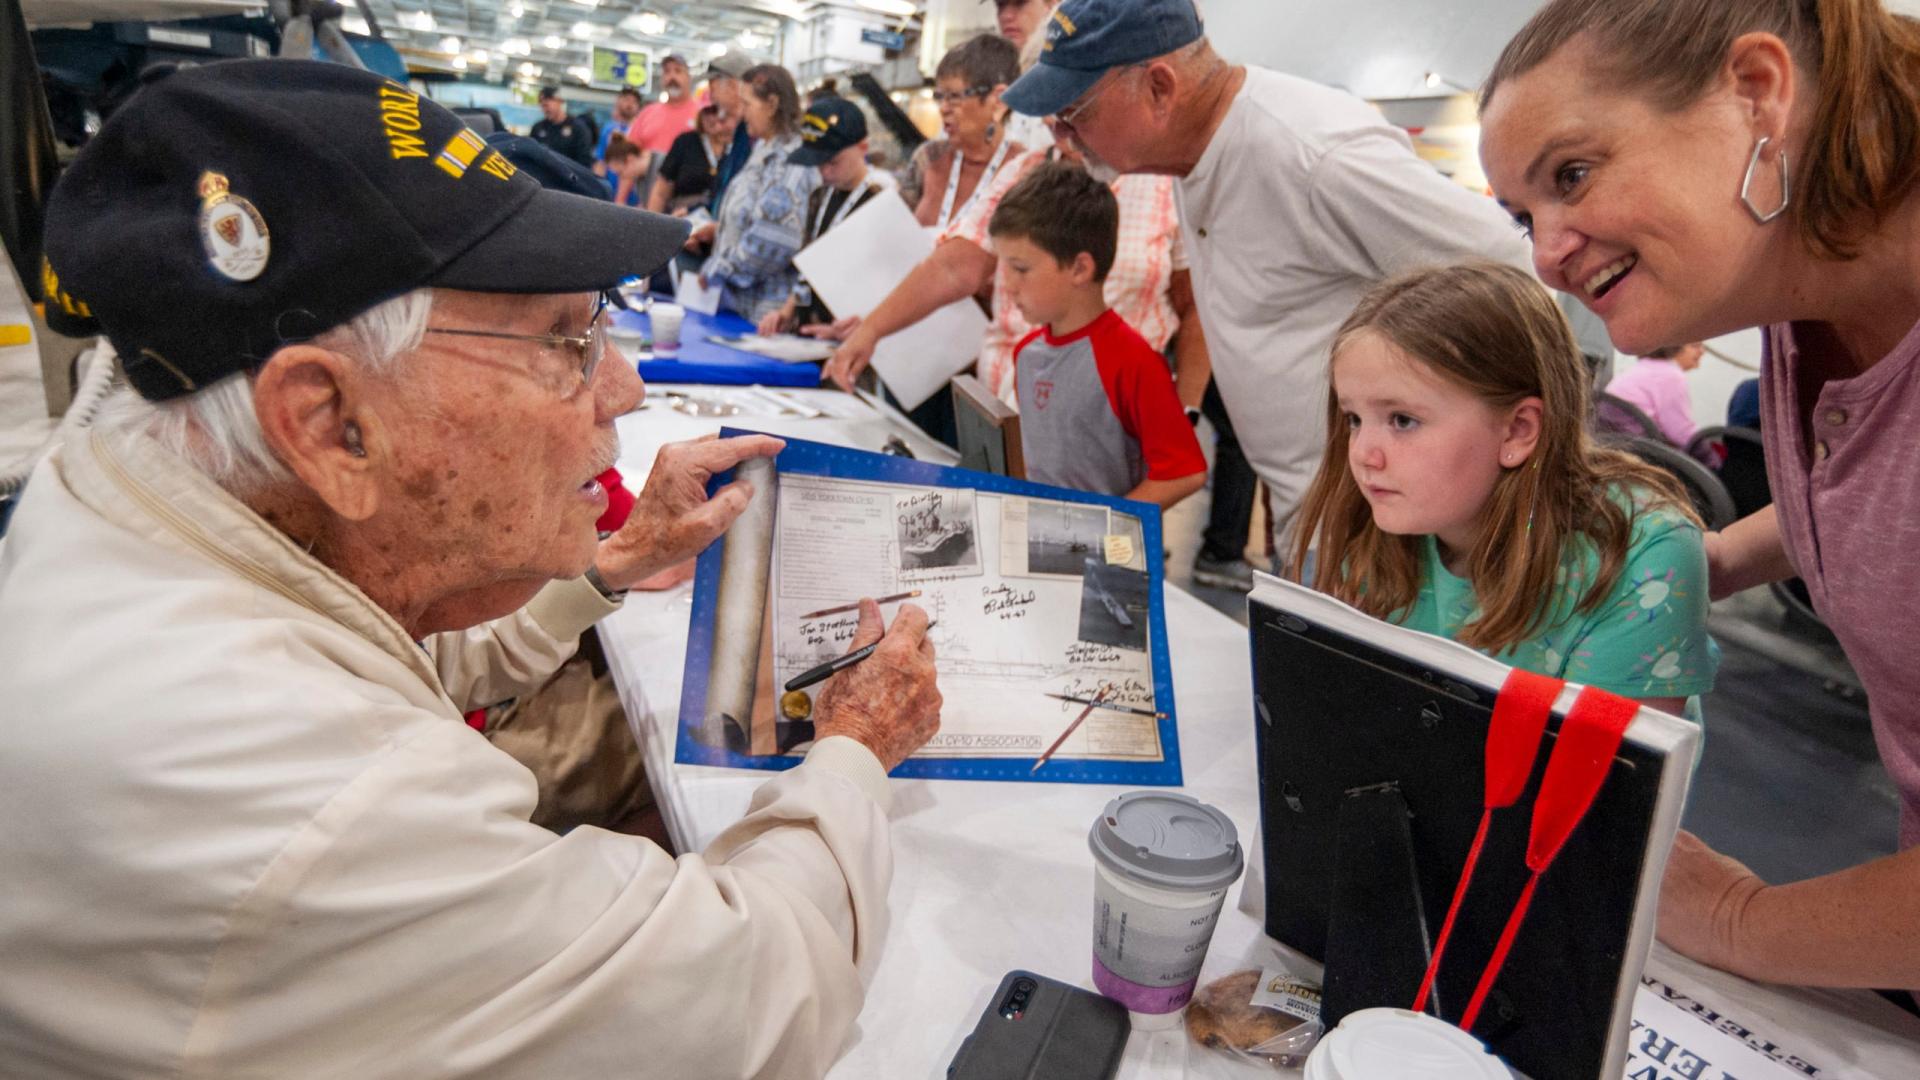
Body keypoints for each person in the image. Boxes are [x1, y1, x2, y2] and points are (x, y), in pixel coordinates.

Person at [2, 62, 942, 1074]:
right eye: (567, 343)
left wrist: (610, 565)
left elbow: (377, 658)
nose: (620, 389)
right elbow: (757, 1002)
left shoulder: (135, 486)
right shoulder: (328, 802)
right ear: (329, 424)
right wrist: (854, 746)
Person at [1477, 0, 1920, 993]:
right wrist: (1718, 561)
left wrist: (1738, 917)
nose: (1547, 253)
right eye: (1523, 217)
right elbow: (1878, 493)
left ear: (1757, 96)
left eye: (1572, 175)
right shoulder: (1798, 294)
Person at [1000, 0, 1532, 553]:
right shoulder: (1191, 153)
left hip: (1383, 532)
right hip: (1313, 512)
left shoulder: (1311, 155)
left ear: (1159, 89)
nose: (1062, 132)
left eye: (1075, 110)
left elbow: (1504, 267)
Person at [1292, 263, 1717, 717]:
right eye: (1354, 419)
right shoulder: (1381, 524)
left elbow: (1608, 779)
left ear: (1517, 431)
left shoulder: (1640, 558)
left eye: (1402, 420)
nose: (1363, 454)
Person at [991, 162, 1205, 508]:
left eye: (1020, 269)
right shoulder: (1027, 354)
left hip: (1105, 556)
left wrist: (1109, 533)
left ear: (1080, 268)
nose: (1008, 285)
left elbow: (1184, 471)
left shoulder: (1132, 362)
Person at [757, 97, 895, 339]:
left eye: (833, 162)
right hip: (809, 333)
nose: (825, 172)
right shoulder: (820, 195)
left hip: (852, 337)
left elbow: (889, 286)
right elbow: (811, 265)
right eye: (818, 164)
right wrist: (785, 312)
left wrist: (854, 330)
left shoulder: (883, 199)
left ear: (863, 147)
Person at [696, 64, 819, 323]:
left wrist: (718, 268)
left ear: (772, 104)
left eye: (748, 104)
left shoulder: (790, 160)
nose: (743, 113)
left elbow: (774, 241)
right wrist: (721, 230)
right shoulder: (765, 149)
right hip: (744, 306)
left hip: (765, 315)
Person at [897, 35, 1025, 232]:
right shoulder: (928, 157)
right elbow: (894, 228)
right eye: (940, 96)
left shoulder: (1024, 172)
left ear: (998, 99)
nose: (943, 108)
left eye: (954, 97)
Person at [1606, 343, 1705, 447]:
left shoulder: (1640, 368)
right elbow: (1680, 432)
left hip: (1615, 442)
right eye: (1695, 346)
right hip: (1639, 448)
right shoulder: (1670, 375)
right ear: (1675, 346)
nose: (1702, 351)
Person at [647, 103, 737, 215]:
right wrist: (652, 224)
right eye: (707, 111)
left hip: (721, 214)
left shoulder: (739, 146)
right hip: (683, 215)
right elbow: (660, 192)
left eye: (717, 111)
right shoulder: (686, 142)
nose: (713, 118)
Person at [703, 50, 759, 215]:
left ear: (734, 85)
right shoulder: (741, 132)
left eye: (713, 86)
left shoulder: (755, 135)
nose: (710, 96)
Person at [628, 53, 703, 159]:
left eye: (678, 71)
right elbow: (630, 152)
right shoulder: (647, 113)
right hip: (648, 174)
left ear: (688, 78)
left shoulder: (702, 113)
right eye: (667, 72)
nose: (672, 77)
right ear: (662, 79)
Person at [530, 85, 593, 168]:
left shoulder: (578, 128)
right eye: (542, 106)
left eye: (547, 105)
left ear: (559, 102)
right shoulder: (538, 128)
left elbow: (584, 161)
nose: (545, 110)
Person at [592, 85, 643, 177]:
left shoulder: (642, 130)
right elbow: (601, 161)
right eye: (627, 100)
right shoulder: (608, 129)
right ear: (619, 102)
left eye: (635, 102)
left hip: (633, 186)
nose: (630, 104)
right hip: (609, 186)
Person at [602, 132, 646, 207]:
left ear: (630, 160)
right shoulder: (639, 182)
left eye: (620, 173)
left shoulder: (658, 168)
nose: (620, 179)